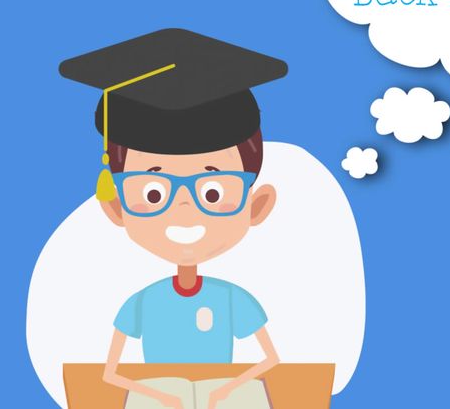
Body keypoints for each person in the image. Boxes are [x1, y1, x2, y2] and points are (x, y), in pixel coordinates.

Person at [60, 28, 289, 409]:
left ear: (257, 204)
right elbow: (110, 372)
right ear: (116, 207)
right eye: (153, 193)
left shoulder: (233, 300)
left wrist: (225, 390)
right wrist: (159, 394)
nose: (184, 210)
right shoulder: (141, 304)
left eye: (213, 192)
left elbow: (270, 358)